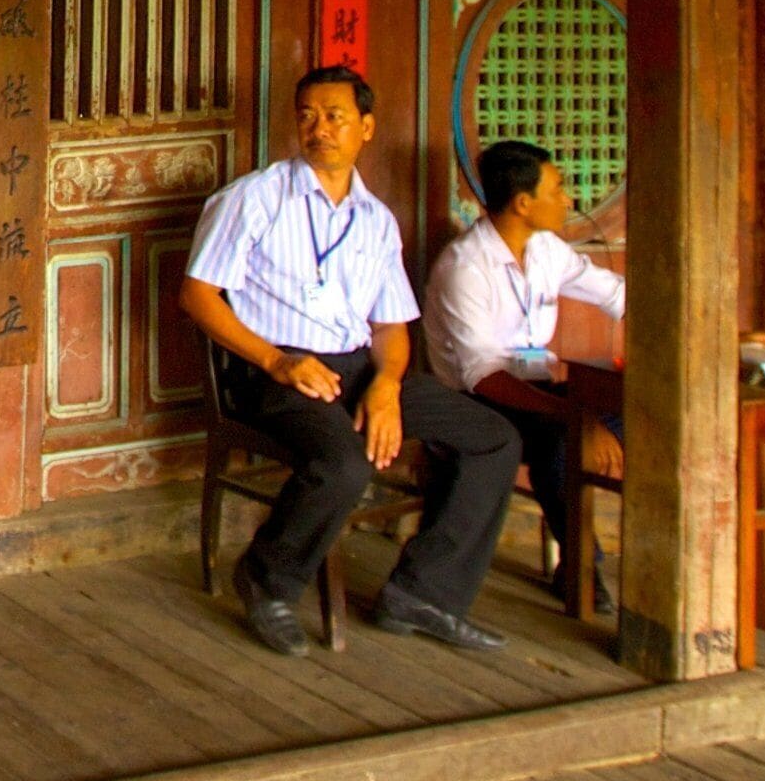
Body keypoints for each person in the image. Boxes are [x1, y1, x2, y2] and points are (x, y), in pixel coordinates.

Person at [179, 65, 521, 657]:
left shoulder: (376, 221)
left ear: (366, 127)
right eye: (307, 116)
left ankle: (424, 594)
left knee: (493, 439)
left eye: (334, 116)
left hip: (360, 368)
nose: (319, 129)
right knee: (343, 464)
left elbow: (391, 325)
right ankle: (266, 581)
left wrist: (387, 385)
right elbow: (197, 294)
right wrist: (277, 362)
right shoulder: (256, 199)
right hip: (277, 371)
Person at [422, 140, 626, 606]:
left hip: (538, 386)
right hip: (478, 400)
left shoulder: (546, 250)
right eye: (557, 189)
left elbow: (616, 294)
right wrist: (575, 418)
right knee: (561, 444)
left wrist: (713, 333)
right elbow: (483, 375)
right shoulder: (465, 267)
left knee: (637, 414)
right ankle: (582, 567)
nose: (568, 200)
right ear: (523, 203)